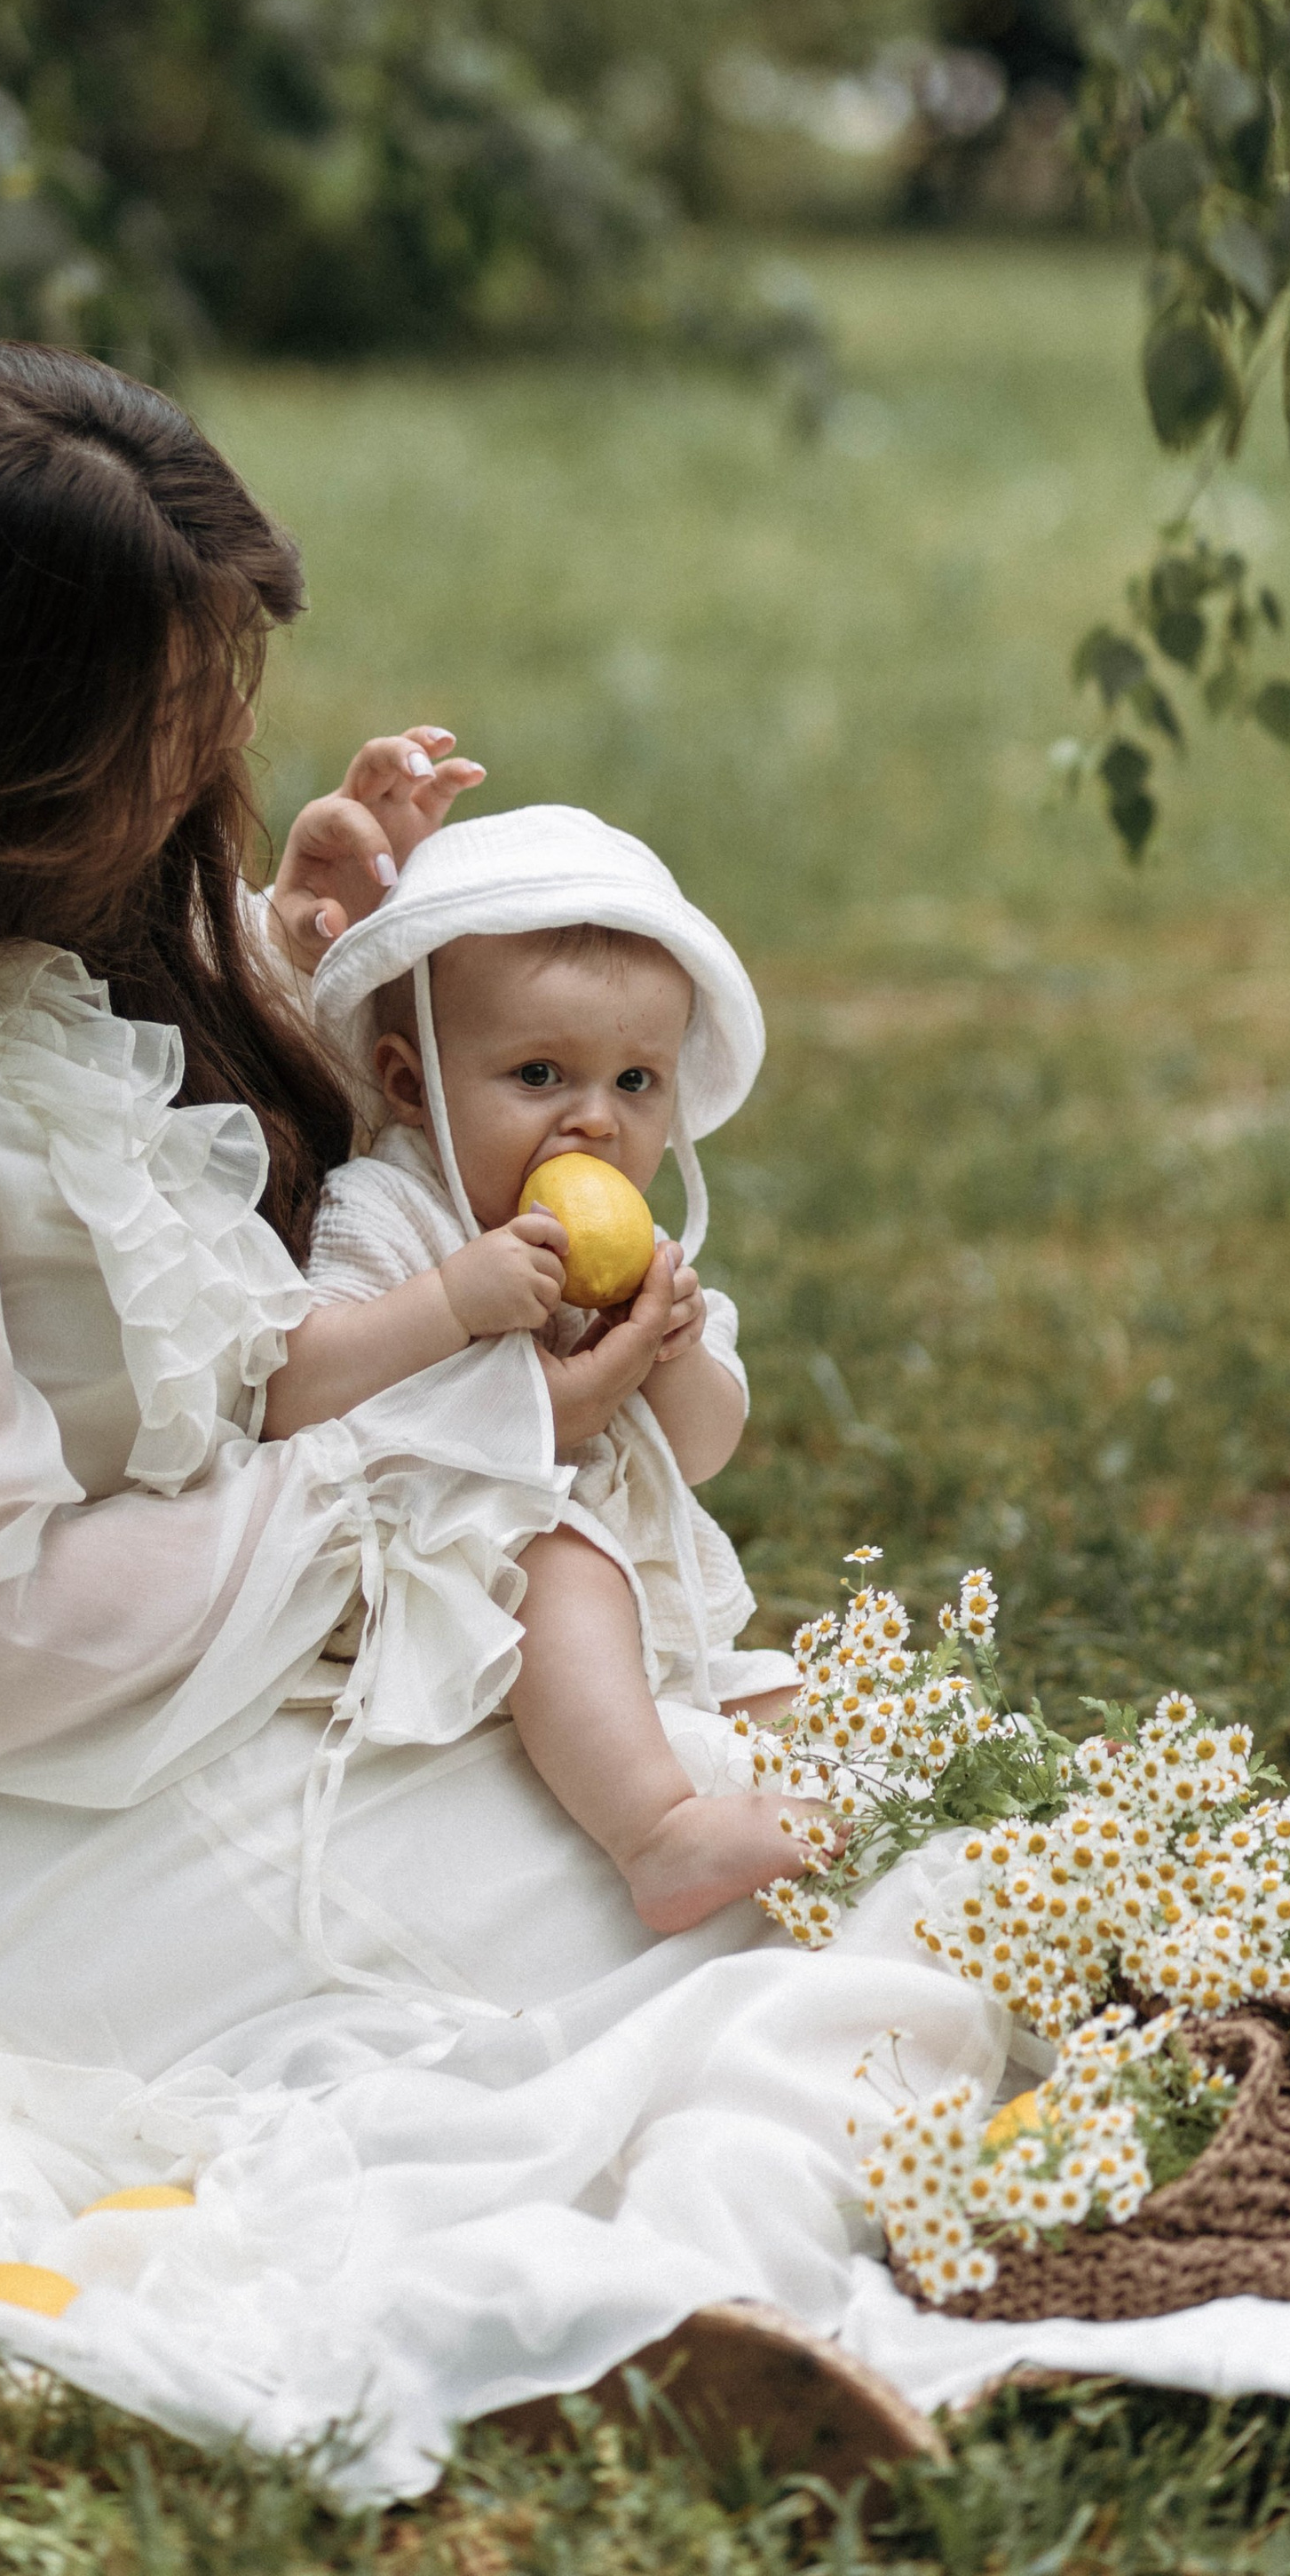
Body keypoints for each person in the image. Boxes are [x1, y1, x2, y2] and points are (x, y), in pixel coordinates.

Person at [0, 341, 1006, 2484]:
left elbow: (190, 1208)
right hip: (56, 1766)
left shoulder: (46, 922)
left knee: (811, 1824)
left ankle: (725, 2246)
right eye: (165, 731)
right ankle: (645, 2311)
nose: (206, 762)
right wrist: (456, 1438)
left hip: (235, 1625)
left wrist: (314, 949)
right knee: (668, 1965)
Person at [281, 807, 816, 1931]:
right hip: (421, 1557)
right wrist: (448, 1306)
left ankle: (901, 1763)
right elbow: (292, 1392)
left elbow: (707, 1447)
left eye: (636, 1083)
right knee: (560, 1552)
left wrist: (668, 1357)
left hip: (611, 1599)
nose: (596, 1125)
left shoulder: (634, 1250)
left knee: (782, 1696)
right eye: (539, 1074)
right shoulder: (391, 1207)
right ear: (412, 1083)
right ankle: (658, 1836)